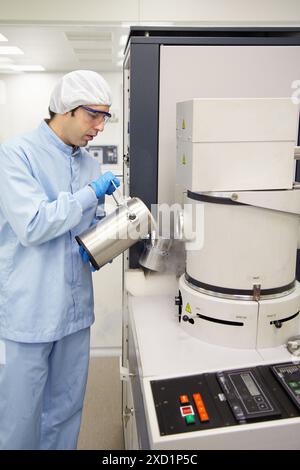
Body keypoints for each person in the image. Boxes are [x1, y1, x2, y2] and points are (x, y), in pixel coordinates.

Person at [0, 70, 120, 450]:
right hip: (29, 311)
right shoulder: (16, 154)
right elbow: (33, 225)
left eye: (106, 117)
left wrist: (114, 234)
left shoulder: (88, 164)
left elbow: (89, 227)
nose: (100, 127)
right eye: (93, 115)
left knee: (66, 410)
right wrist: (90, 194)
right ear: (66, 111)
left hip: (74, 311)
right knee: (20, 415)